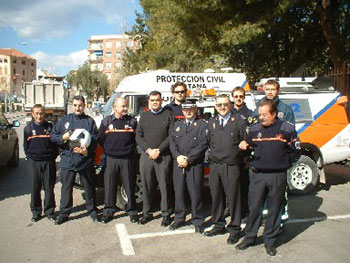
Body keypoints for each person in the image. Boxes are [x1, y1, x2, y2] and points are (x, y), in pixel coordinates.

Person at [236, 100, 301, 256]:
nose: (261, 118)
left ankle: (270, 241)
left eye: (265, 115)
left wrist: (282, 165)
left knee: (274, 210)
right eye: (260, 114)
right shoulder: (255, 128)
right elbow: (249, 147)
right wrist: (243, 147)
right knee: (254, 208)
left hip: (277, 176)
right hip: (257, 175)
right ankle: (250, 237)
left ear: (274, 114)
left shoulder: (287, 129)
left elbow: (295, 152)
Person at [204, 94, 247, 245]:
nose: (222, 107)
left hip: (232, 166)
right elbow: (208, 142)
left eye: (225, 104)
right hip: (215, 165)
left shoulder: (239, 121)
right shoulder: (211, 122)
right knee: (216, 196)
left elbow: (245, 143)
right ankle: (218, 224)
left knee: (233, 198)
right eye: (219, 105)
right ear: (215, 107)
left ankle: (235, 229)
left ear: (230, 105)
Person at [51, 95, 99, 225]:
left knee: (89, 188)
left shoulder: (89, 121)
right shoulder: (64, 120)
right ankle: (64, 213)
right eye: (75, 105)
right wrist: (63, 137)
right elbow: (53, 136)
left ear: (84, 106)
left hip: (85, 160)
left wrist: (87, 150)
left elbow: (95, 139)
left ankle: (92, 211)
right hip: (68, 160)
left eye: (80, 105)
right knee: (66, 188)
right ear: (72, 105)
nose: (78, 108)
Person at [136, 91, 174, 226]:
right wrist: (149, 150)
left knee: (164, 186)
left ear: (161, 100)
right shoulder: (144, 116)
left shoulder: (168, 114)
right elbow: (138, 136)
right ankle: (146, 213)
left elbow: (171, 136)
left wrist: (159, 150)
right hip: (147, 156)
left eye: (157, 100)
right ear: (148, 102)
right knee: (147, 185)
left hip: (163, 156)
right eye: (152, 100)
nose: (155, 102)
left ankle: (166, 214)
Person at [169, 100, 208, 233]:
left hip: (194, 164)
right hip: (179, 163)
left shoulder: (202, 125)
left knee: (196, 193)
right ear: (182, 111)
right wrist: (177, 157)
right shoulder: (177, 124)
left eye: (190, 109)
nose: (188, 111)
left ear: (195, 109)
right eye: (185, 109)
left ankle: (198, 220)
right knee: (178, 192)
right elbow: (172, 143)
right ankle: (179, 218)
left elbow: (202, 145)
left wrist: (189, 159)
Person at [98, 97, 138, 224]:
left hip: (127, 159)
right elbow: (101, 139)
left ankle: (132, 211)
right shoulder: (106, 122)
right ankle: (109, 211)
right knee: (110, 186)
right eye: (123, 106)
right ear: (115, 107)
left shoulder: (132, 121)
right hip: (111, 159)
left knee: (129, 186)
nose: (125, 108)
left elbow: (136, 138)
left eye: (126, 106)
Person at [24, 104, 58, 222]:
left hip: (48, 161)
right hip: (34, 163)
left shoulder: (50, 127)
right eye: (37, 113)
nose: (39, 116)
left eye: (41, 113)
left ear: (44, 114)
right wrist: (32, 158)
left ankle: (49, 211)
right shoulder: (28, 129)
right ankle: (36, 212)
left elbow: (55, 146)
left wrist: (51, 157)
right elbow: (26, 147)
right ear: (33, 114)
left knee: (49, 187)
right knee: (35, 187)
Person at [231, 86, 253, 218]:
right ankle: (231, 207)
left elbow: (251, 134)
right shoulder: (228, 111)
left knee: (245, 184)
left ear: (244, 97)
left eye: (241, 96)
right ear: (232, 97)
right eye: (236, 96)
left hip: (244, 155)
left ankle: (245, 209)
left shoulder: (250, 114)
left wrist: (247, 155)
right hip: (231, 154)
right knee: (232, 185)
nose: (238, 98)